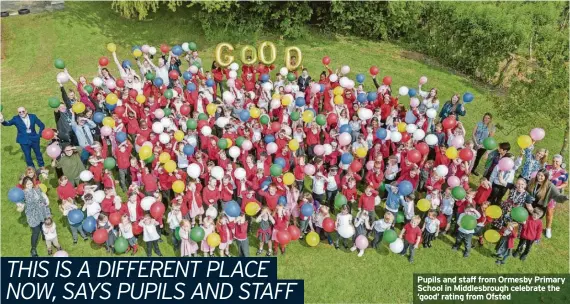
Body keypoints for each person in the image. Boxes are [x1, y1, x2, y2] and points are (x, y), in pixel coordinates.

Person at [525, 169, 568, 238]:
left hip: (539, 208)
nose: (539, 177)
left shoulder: (549, 185)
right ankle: (523, 237)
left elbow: (557, 196)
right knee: (526, 221)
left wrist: (566, 197)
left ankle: (532, 238)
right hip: (529, 204)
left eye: (542, 176)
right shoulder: (532, 180)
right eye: (538, 175)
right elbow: (526, 189)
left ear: (546, 177)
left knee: (533, 223)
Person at [19, 177, 51, 257]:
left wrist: (46, 202)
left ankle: (45, 237)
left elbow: (42, 197)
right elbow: (21, 204)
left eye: (30, 183)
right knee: (36, 232)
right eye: (27, 184)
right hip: (33, 215)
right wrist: (20, 207)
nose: (30, 185)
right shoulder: (23, 194)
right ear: (24, 185)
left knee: (43, 225)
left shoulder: (37, 189)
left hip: (41, 211)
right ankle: (33, 249)